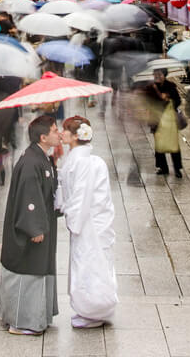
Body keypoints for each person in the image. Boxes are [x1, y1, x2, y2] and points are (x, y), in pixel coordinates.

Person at [0, 115, 61, 335]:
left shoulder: (41, 157)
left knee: (39, 268)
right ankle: (20, 321)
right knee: (29, 269)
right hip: (30, 230)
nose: (59, 133)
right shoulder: (31, 162)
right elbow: (29, 198)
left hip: (42, 224)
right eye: (54, 130)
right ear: (43, 137)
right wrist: (34, 228)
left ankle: (35, 316)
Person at [56, 116, 117, 329]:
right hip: (88, 221)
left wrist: (72, 220)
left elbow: (81, 196)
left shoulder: (82, 161)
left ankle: (94, 308)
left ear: (75, 137)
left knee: (90, 262)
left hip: (90, 223)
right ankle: (88, 308)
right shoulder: (79, 158)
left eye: (65, 130)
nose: (61, 134)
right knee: (87, 262)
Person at [149, 68, 183, 178]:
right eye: (155, 74)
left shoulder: (171, 86)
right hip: (157, 119)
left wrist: (168, 99)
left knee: (173, 144)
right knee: (159, 144)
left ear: (164, 75)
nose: (157, 76)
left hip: (169, 120)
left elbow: (178, 101)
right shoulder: (152, 87)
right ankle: (163, 167)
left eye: (159, 74)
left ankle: (177, 168)